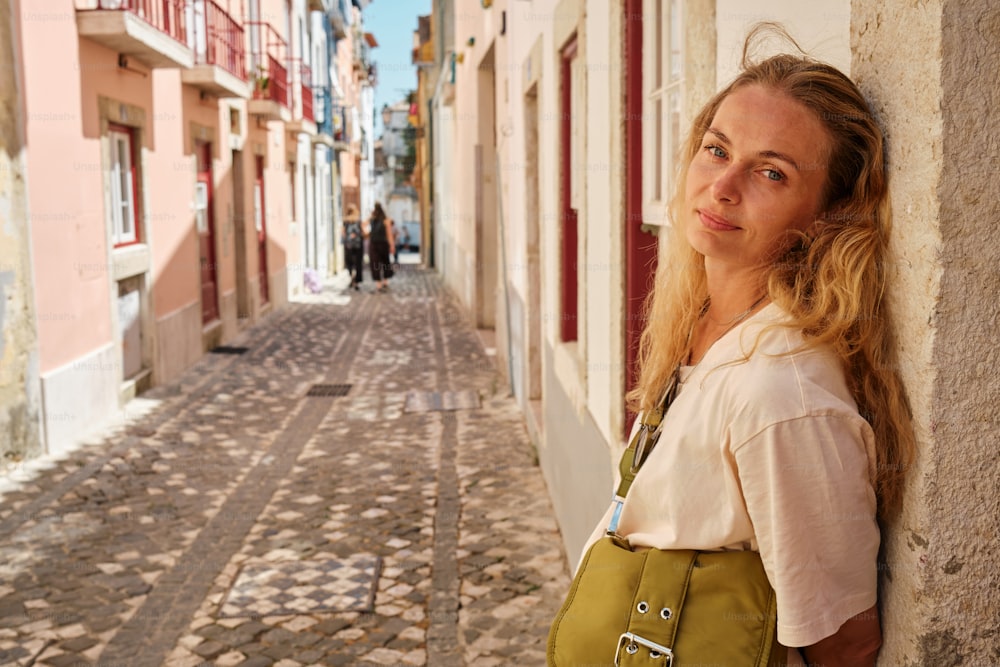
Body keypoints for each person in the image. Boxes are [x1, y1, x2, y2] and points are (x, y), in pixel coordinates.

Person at [581, 27, 914, 666]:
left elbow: (844, 644)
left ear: (824, 216)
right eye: (716, 150)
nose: (723, 186)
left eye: (770, 171)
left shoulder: (781, 393)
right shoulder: (701, 322)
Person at [365, 202, 395, 293]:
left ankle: (379, 284)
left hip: (374, 243)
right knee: (385, 262)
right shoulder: (386, 220)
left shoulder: (373, 219)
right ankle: (385, 282)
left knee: (375, 263)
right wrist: (392, 245)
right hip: (383, 243)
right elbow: (389, 234)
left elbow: (363, 225)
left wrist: (368, 234)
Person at [342, 203, 364, 291]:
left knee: (349, 263)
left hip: (349, 245)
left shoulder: (345, 221)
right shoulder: (358, 221)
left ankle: (352, 278)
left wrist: (347, 239)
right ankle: (356, 281)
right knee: (358, 263)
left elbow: (343, 234)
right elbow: (362, 232)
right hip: (358, 244)